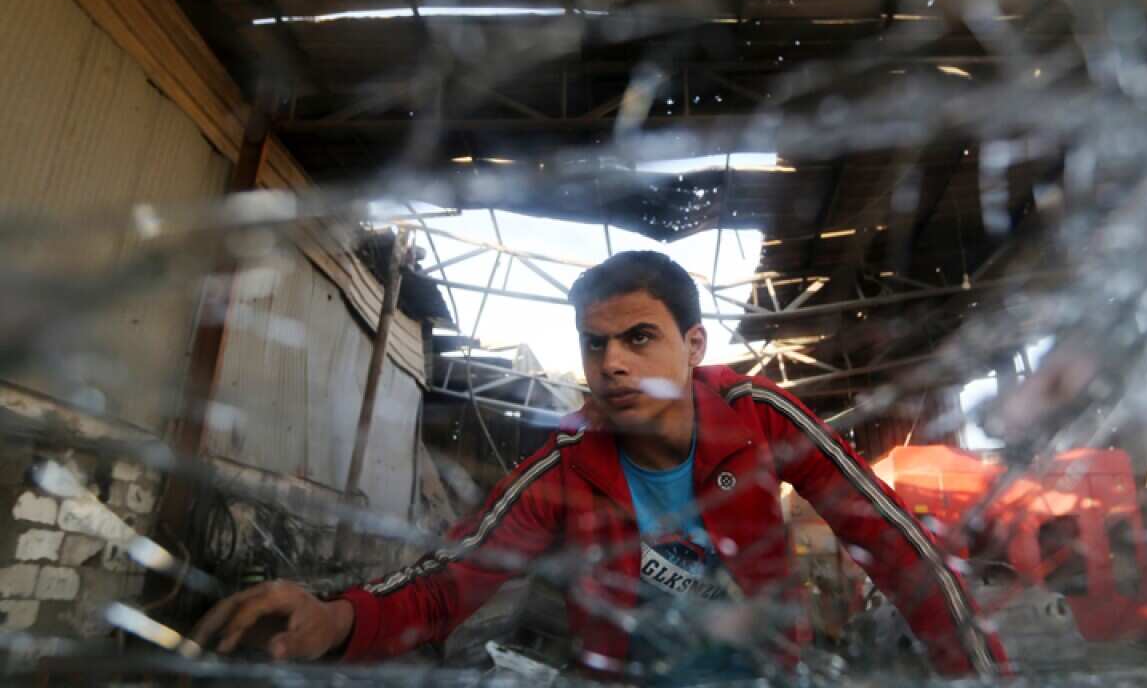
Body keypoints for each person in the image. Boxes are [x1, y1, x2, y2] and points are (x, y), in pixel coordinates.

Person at [193, 250, 1007, 682]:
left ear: (693, 347)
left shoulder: (764, 417)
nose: (612, 363)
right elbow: (453, 579)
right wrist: (336, 619)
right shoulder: (562, 467)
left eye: (639, 338)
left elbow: (897, 546)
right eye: (596, 343)